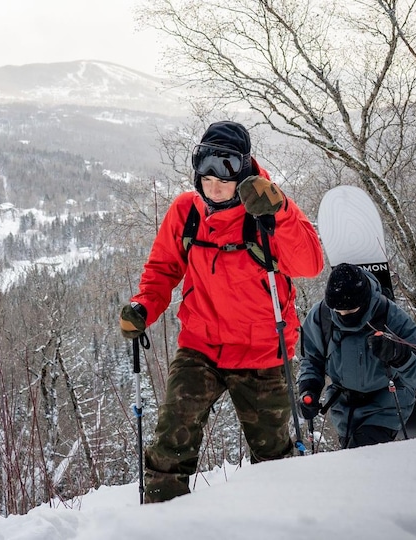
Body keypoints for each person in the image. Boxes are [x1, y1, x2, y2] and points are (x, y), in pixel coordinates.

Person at [118, 120, 323, 503]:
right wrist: (143, 306)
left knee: (273, 456)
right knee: (170, 440)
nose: (213, 186)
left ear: (243, 170)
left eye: (224, 176)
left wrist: (280, 212)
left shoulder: (266, 208)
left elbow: (309, 265)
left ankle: (279, 521)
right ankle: (162, 521)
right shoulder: (187, 211)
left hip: (262, 352)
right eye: (205, 175)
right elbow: (163, 269)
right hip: (202, 346)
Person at [297, 263, 416, 449]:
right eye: (338, 311)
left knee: (361, 454)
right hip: (345, 411)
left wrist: (399, 354)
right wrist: (308, 389)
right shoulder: (321, 317)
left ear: (365, 300)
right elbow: (311, 360)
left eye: (350, 311)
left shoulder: (393, 318)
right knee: (358, 465)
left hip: (387, 405)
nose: (343, 315)